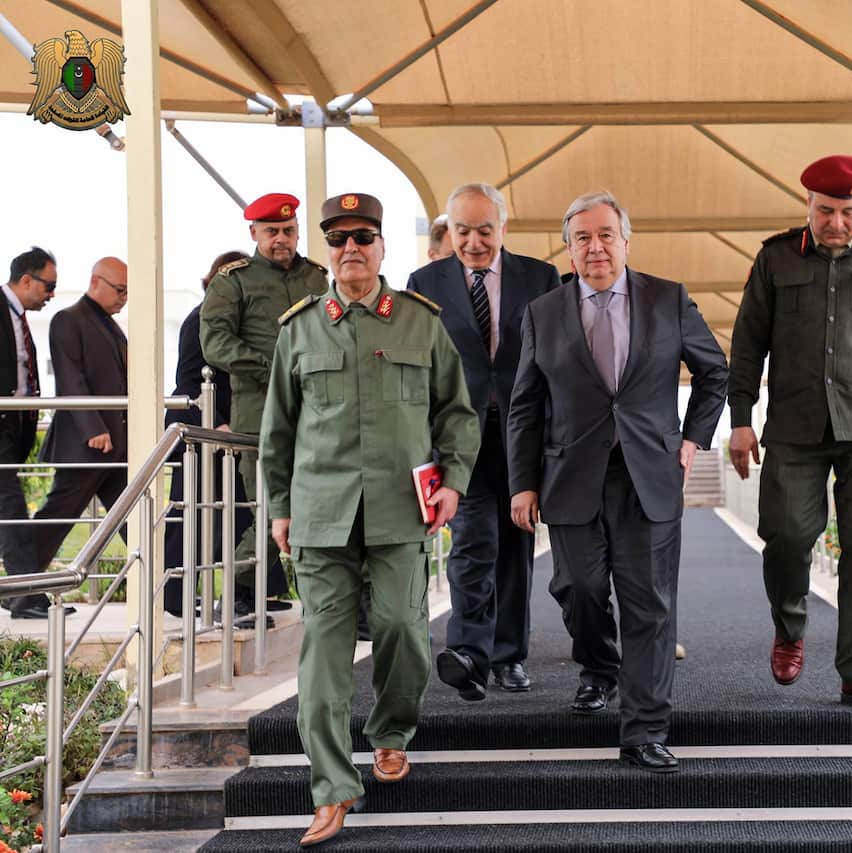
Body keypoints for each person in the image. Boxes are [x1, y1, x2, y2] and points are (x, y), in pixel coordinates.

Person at [259, 192, 479, 847]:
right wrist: (279, 508)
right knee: (321, 656)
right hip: (320, 516)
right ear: (327, 253)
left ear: (383, 246)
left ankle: (390, 733)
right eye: (338, 239)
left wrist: (455, 484)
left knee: (402, 631)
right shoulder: (298, 329)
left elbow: (458, 415)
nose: (350, 248)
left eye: (363, 236)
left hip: (399, 511)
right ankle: (331, 787)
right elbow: (277, 431)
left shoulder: (420, 322)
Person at [508, 191, 727, 774]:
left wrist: (691, 438)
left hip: (648, 475)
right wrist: (521, 483)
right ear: (569, 248)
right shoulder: (543, 312)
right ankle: (599, 668)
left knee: (650, 605)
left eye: (606, 234)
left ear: (626, 241)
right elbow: (525, 405)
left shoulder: (669, 299)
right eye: (582, 237)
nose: (596, 246)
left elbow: (714, 373)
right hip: (570, 475)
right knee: (577, 589)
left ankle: (645, 730)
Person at [727, 155, 852, 709]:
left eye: (848, 211)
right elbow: (746, 347)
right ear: (807, 206)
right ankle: (790, 627)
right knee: (788, 535)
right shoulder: (775, 260)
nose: (836, 222)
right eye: (825, 210)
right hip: (794, 425)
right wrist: (740, 421)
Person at [407, 184, 560, 699]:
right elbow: (418, 364)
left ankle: (509, 655)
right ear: (449, 230)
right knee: (473, 541)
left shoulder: (540, 278)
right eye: (462, 231)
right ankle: (470, 651)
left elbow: (556, 358)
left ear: (504, 228)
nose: (473, 242)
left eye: (484, 230)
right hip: (456, 433)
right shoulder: (424, 282)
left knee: (515, 545)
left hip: (523, 432)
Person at [200, 193, 328, 625]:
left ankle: (321, 600)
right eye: (271, 232)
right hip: (260, 419)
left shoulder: (316, 278)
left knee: (319, 507)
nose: (281, 240)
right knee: (271, 511)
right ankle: (236, 596)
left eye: (288, 231)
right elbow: (214, 342)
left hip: (319, 416)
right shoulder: (232, 281)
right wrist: (271, 368)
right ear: (253, 233)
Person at [161, 251, 289, 620]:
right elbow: (188, 382)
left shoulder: (240, 322)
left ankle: (252, 591)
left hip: (236, 439)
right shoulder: (198, 320)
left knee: (247, 514)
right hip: (202, 440)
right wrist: (217, 425)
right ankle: (178, 595)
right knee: (193, 520)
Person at [30, 257, 131, 580]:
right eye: (119, 289)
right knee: (56, 520)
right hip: (87, 445)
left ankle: (172, 594)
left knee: (137, 519)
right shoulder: (68, 319)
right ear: (95, 282)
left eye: (128, 292)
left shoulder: (109, 324)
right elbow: (70, 379)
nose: (123, 297)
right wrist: (94, 428)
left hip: (116, 446)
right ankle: (21, 591)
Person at [0, 247, 60, 619]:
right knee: (11, 508)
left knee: (9, 508)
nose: (52, 294)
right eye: (49, 285)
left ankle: (17, 594)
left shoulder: (17, 317)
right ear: (26, 280)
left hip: (13, 430)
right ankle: (25, 597)